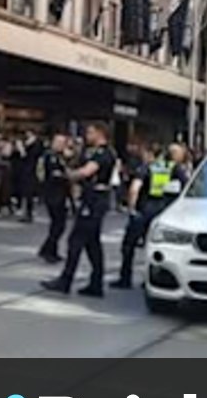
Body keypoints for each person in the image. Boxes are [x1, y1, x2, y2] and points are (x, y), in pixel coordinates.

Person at [40, 122, 116, 298]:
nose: (87, 135)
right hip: (94, 199)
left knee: (76, 240)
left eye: (90, 132)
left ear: (100, 133)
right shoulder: (95, 152)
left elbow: (86, 172)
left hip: (94, 200)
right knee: (92, 244)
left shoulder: (103, 153)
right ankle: (96, 283)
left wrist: (68, 175)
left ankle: (66, 280)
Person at [110, 143, 190, 290]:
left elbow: (135, 188)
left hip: (144, 210)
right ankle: (150, 279)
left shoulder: (147, 167)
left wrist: (131, 208)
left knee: (129, 246)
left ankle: (125, 278)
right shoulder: (174, 168)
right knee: (153, 248)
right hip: (163, 212)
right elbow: (187, 186)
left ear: (149, 154)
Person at [36, 132, 70, 264]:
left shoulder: (59, 156)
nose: (61, 145)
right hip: (53, 193)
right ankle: (48, 250)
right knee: (58, 225)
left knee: (58, 225)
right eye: (59, 143)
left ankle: (49, 249)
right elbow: (54, 174)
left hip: (60, 193)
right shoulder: (50, 156)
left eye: (63, 143)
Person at [18, 130, 43, 223]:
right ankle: (27, 213)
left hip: (30, 170)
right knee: (27, 192)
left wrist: (22, 149)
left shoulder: (35, 145)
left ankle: (29, 214)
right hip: (29, 170)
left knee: (28, 192)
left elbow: (26, 156)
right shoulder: (33, 144)